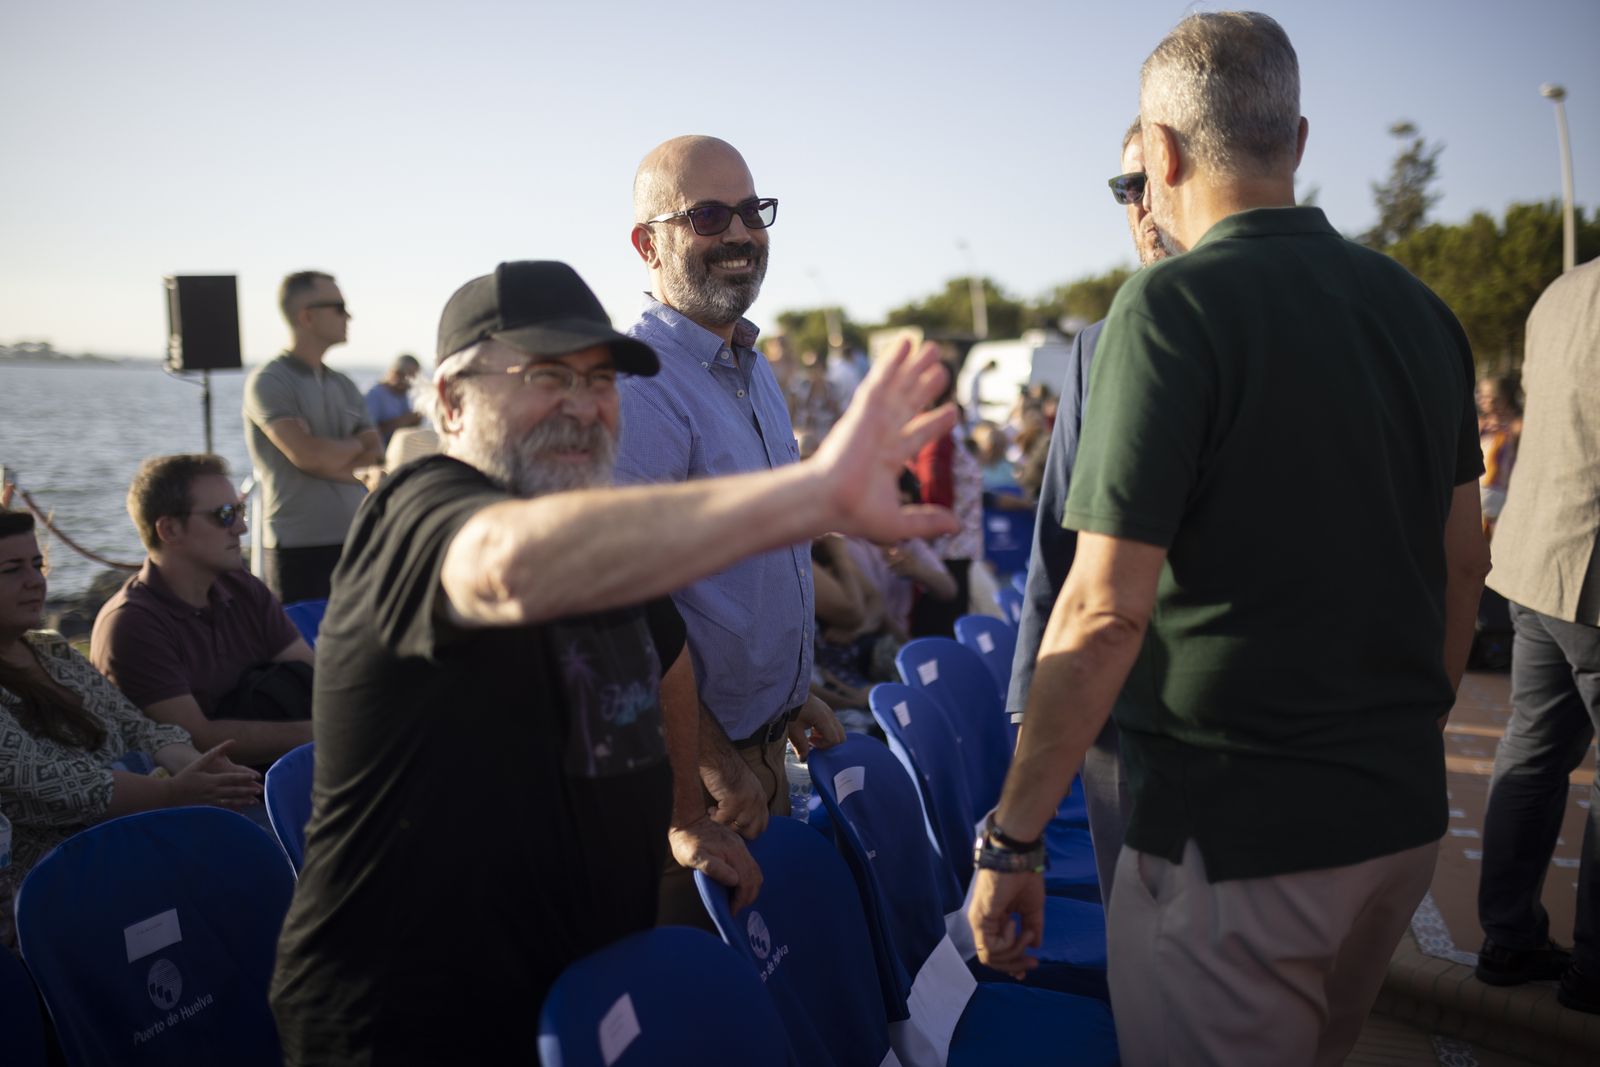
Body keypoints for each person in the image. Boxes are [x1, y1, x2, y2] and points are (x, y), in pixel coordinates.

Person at [267, 259, 957, 1063]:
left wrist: (683, 815)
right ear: (452, 400)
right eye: (548, 375)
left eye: (601, 382)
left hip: (584, 1001)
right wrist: (808, 497)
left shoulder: (596, 538)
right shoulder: (419, 512)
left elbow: (665, 657)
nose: (586, 404)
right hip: (407, 1026)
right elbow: (505, 563)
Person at [968, 13, 1490, 1065]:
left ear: (1158, 153)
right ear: (1294, 141)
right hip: (1393, 820)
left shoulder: (1167, 308)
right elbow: (1464, 559)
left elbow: (1104, 606)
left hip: (1235, 839)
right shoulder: (1419, 308)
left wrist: (1011, 833)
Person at [618, 136, 844, 924]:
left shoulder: (748, 368)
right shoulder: (640, 384)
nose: (742, 234)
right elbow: (625, 614)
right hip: (697, 779)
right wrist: (711, 767)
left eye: (752, 211)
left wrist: (792, 689)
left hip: (763, 746)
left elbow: (745, 571)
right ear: (649, 243)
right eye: (709, 216)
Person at [1005, 115, 1171, 904]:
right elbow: (1057, 545)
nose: (1139, 205)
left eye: (1149, 181)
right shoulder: (1101, 346)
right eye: (1123, 188)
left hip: (1262, 743)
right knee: (1137, 952)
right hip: (1126, 723)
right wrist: (1026, 709)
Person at [0, 508, 263, 951]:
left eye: (37, 565)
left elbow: (140, 727)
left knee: (267, 844)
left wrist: (198, 770)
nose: (35, 581)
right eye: (12, 570)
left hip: (145, 828)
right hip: (65, 874)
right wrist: (173, 793)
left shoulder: (51, 650)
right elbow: (54, 784)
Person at [1474, 259, 1600, 1015]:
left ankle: (1508, 937)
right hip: (1590, 570)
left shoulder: (1560, 289)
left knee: (1532, 749)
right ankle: (1593, 966)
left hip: (1533, 557)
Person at [91, 454, 314, 768]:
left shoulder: (243, 589)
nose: (241, 527)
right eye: (224, 515)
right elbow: (199, 739)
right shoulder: (132, 624)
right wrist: (327, 732)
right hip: (198, 800)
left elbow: (316, 677)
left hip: (272, 771)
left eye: (240, 510)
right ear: (169, 530)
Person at [243, 270, 383, 604]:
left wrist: (327, 455)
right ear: (306, 316)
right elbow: (307, 456)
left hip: (354, 541)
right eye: (338, 307)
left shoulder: (344, 384)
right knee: (306, 651)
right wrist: (353, 450)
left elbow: (376, 454)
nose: (348, 315)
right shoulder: (270, 381)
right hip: (296, 549)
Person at [1476, 373, 1522, 538]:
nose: (1487, 401)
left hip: (1503, 496)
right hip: (1478, 496)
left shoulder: (1516, 427)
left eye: (1492, 397)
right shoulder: (1480, 425)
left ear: (1504, 398)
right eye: (1483, 396)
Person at [364, 354, 424, 445]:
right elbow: (366, 433)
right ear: (395, 373)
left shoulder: (404, 395)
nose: (410, 383)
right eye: (408, 378)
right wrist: (404, 420)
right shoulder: (374, 395)